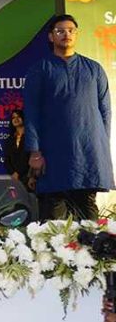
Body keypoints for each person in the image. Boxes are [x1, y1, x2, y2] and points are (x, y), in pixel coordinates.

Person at [24, 14, 114, 220]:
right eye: (60, 31)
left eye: (71, 30)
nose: (66, 34)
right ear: (51, 37)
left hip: (87, 152)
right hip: (53, 152)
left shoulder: (94, 69)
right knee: (54, 217)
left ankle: (93, 243)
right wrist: (35, 152)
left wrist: (100, 147)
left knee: (88, 214)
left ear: (77, 34)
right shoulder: (40, 69)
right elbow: (32, 112)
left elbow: (105, 111)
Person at [3, 109, 34, 192]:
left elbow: (29, 157)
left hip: (28, 177)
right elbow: (6, 159)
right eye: (13, 117)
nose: (16, 119)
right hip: (13, 178)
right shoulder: (9, 139)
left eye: (18, 117)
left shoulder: (31, 137)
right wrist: (13, 173)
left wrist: (18, 172)